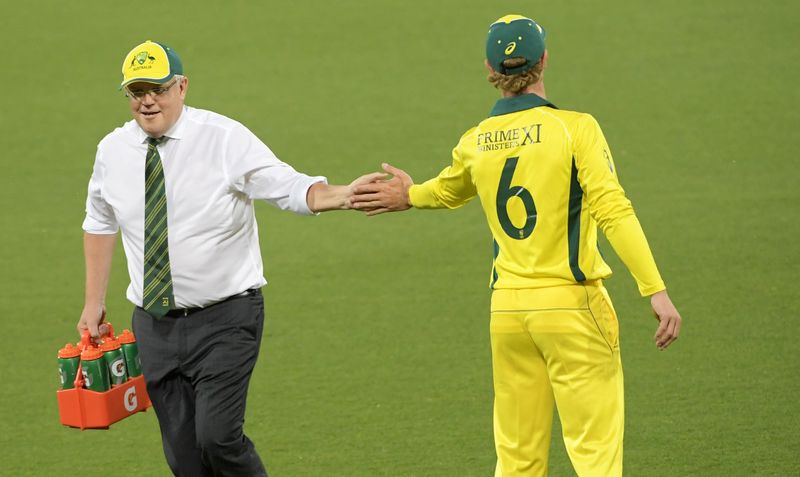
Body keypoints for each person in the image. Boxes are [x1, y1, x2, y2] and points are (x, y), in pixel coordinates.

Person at [351, 15, 682, 477]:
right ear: (544, 59)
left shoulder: (476, 142)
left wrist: (409, 194)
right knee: (595, 456)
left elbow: (447, 190)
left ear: (489, 68)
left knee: (518, 460)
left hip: (508, 314)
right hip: (573, 307)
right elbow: (613, 209)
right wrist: (655, 289)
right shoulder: (575, 129)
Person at [77, 40, 383, 477]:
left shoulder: (223, 139)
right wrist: (93, 301)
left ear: (182, 87)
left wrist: (342, 195)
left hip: (226, 319)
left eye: (158, 88)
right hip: (154, 324)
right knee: (184, 459)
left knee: (218, 437)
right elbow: (100, 221)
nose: (148, 101)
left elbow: (286, 185)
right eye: (136, 91)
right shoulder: (112, 151)